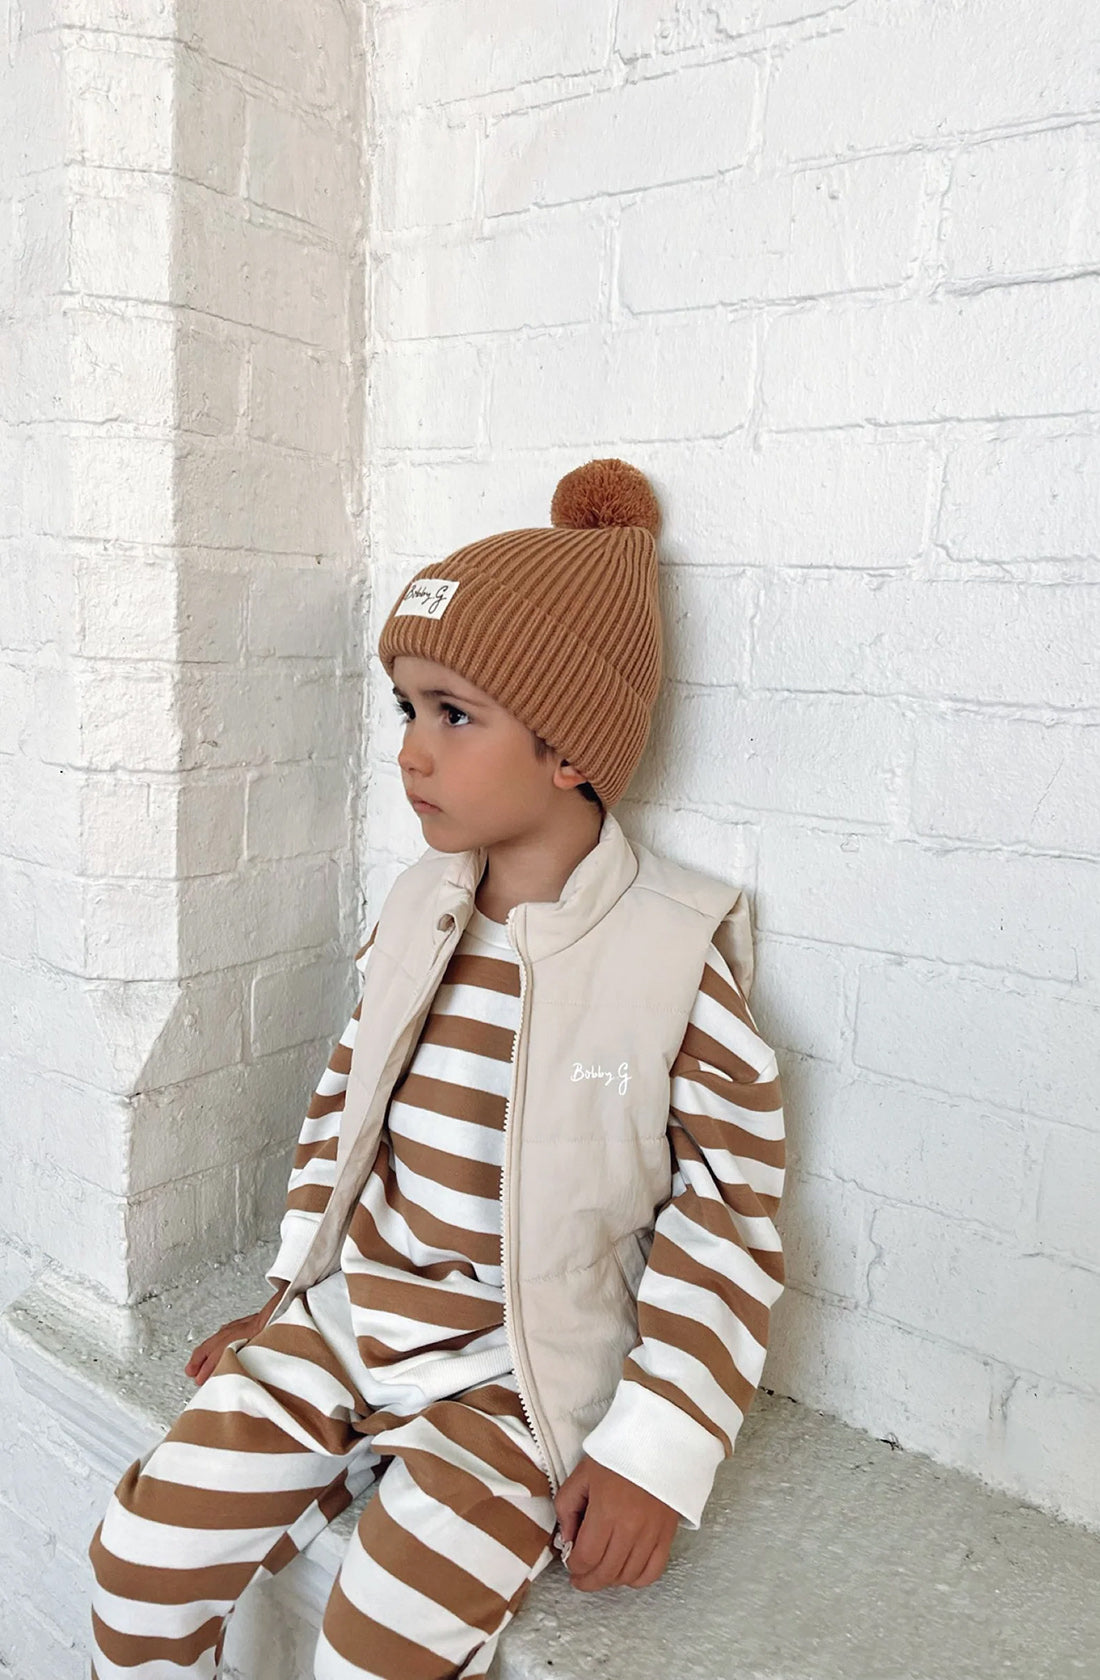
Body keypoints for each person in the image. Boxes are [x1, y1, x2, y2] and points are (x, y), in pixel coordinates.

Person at [88, 458, 786, 1680]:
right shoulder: (421, 909)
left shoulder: (673, 957)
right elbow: (344, 1113)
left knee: (380, 1646)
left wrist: (654, 1451)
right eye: (405, 710)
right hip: (356, 1315)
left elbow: (724, 1227)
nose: (411, 751)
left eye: (453, 714)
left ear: (568, 747)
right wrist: (290, 1280)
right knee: (138, 1556)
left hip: (517, 1379)